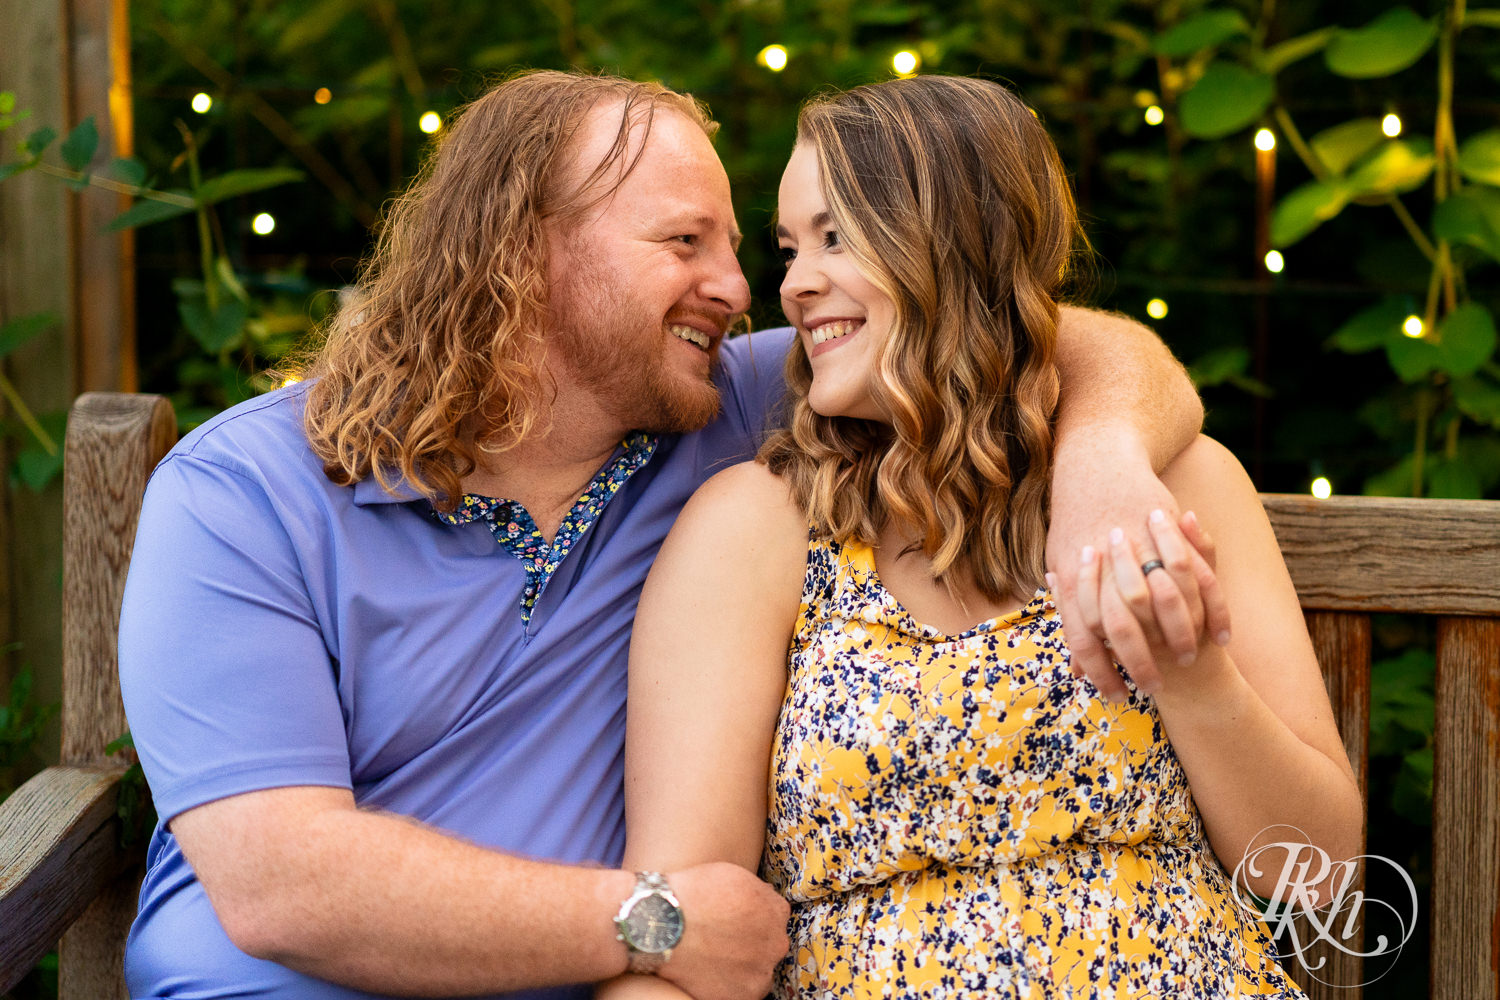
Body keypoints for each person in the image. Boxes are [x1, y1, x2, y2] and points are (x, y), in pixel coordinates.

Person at [119, 70, 1206, 1000]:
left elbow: (1030, 335)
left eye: (742, 248)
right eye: (687, 242)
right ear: (520, 250)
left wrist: (1103, 460)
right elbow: (282, 883)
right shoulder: (244, 496)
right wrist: (652, 920)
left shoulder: (728, 407)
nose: (741, 291)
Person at [611, 76, 1362, 999]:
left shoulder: (1171, 489)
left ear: (955, 248)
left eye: (837, 237)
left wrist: (1197, 678)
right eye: (790, 245)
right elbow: (674, 942)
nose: (794, 283)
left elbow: (1319, 881)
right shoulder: (754, 528)